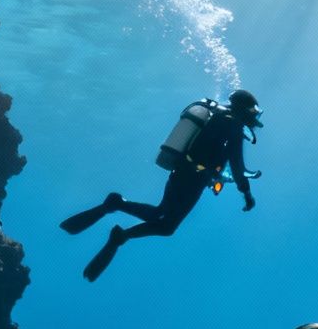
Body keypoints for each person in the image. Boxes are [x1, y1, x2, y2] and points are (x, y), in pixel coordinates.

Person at [62, 89, 263, 282]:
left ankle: (120, 229)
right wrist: (247, 194)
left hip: (185, 172)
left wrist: (219, 175)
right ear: (244, 109)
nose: (254, 119)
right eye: (253, 112)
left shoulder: (219, 117)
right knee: (165, 222)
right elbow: (237, 166)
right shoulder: (233, 126)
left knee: (164, 220)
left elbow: (218, 156)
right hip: (192, 179)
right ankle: (117, 211)